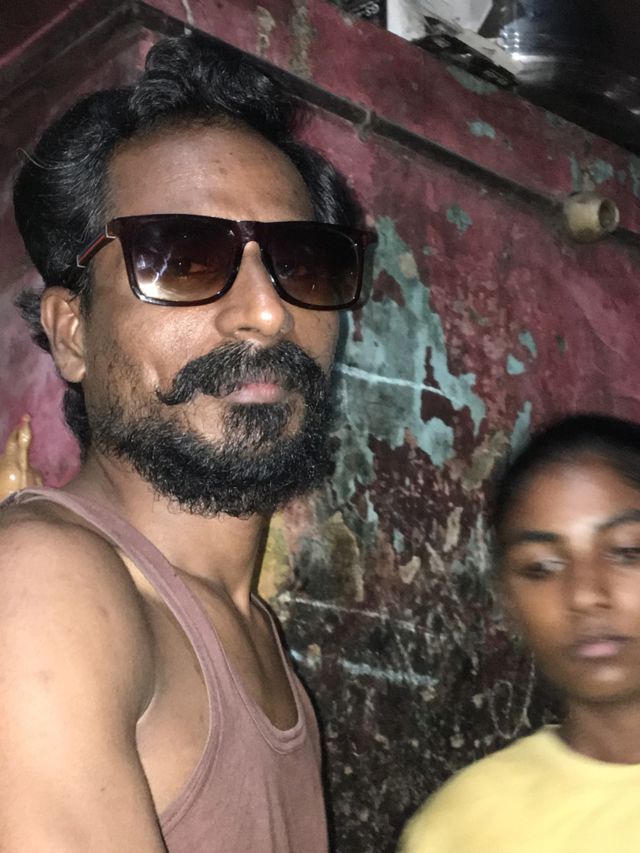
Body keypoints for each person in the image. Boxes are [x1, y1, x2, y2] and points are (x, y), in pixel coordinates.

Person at [1, 34, 376, 852]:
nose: (267, 312)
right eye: (182, 257)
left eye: (302, 261)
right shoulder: (42, 582)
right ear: (73, 332)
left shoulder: (255, 635)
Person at [399, 413, 640, 853]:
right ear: (509, 602)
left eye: (627, 551)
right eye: (541, 568)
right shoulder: (463, 828)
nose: (585, 595)